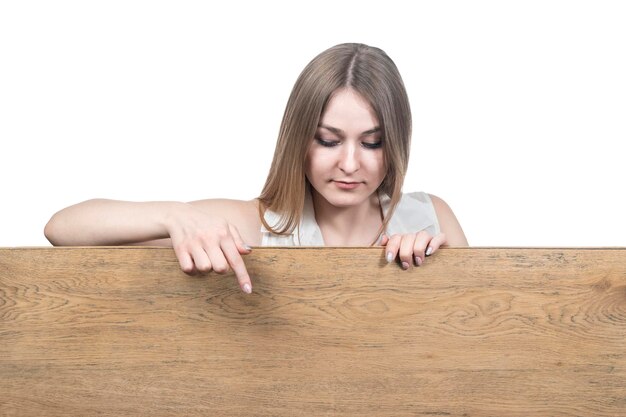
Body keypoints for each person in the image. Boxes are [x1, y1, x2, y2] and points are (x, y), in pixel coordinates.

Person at [44, 43, 468, 294]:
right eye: (328, 140)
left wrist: (442, 272)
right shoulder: (252, 225)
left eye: (372, 143)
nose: (351, 163)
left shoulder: (432, 217)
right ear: (299, 139)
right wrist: (176, 217)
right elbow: (62, 229)